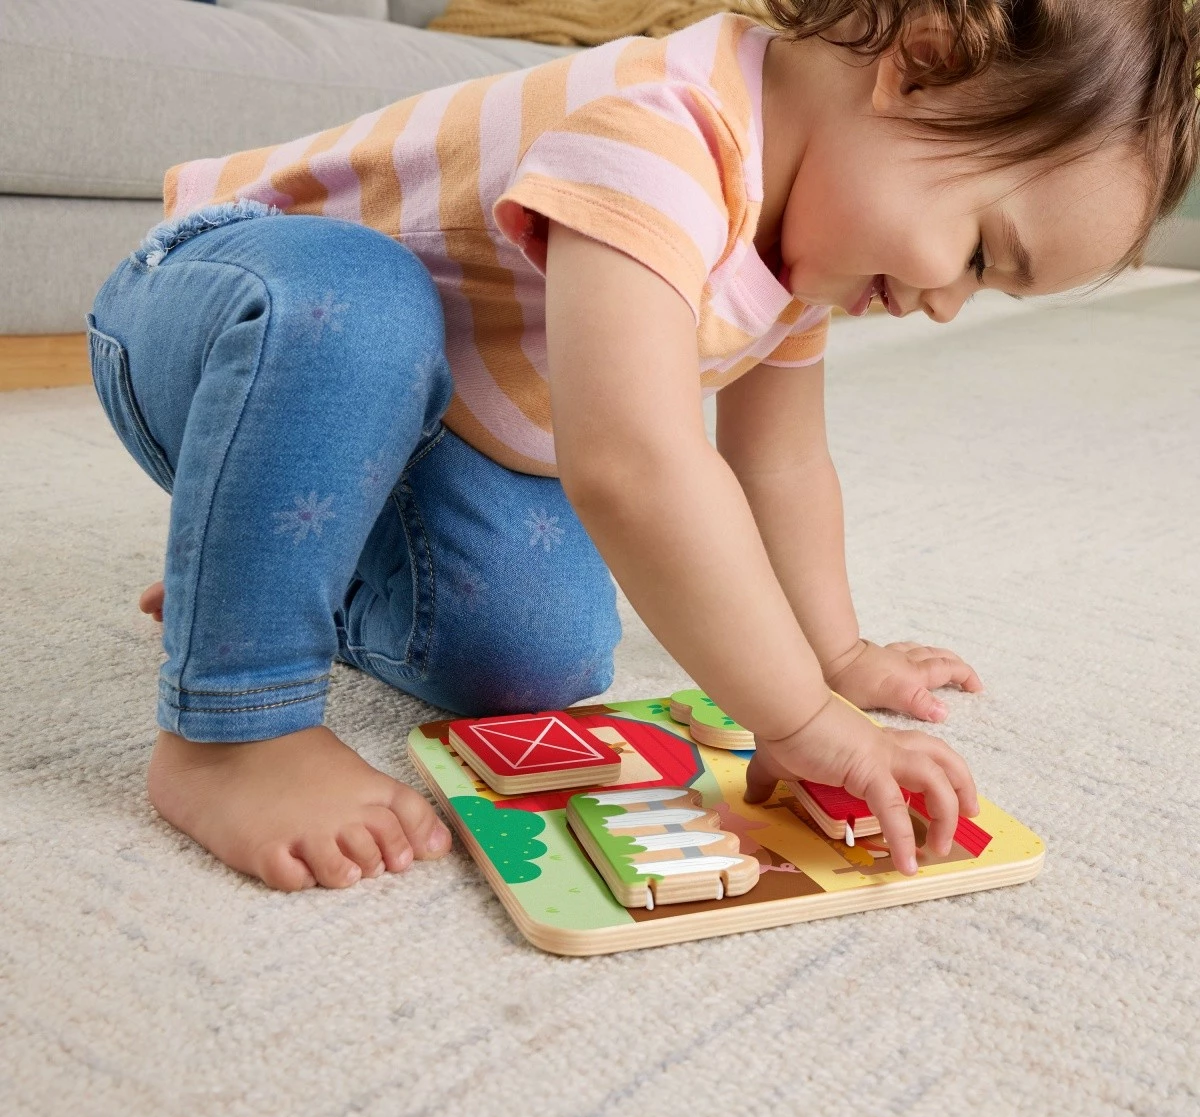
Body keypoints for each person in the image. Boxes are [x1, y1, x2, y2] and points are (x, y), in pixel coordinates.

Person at [88, 1, 1200, 891]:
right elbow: (633, 464)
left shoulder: (805, 248)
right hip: (228, 316)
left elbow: (779, 468)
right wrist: (800, 724)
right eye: (978, 253)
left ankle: (244, 569)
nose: (950, 305)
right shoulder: (660, 130)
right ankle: (234, 730)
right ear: (918, 60)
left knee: (540, 659)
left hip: (425, 437)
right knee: (364, 305)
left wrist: (833, 661)